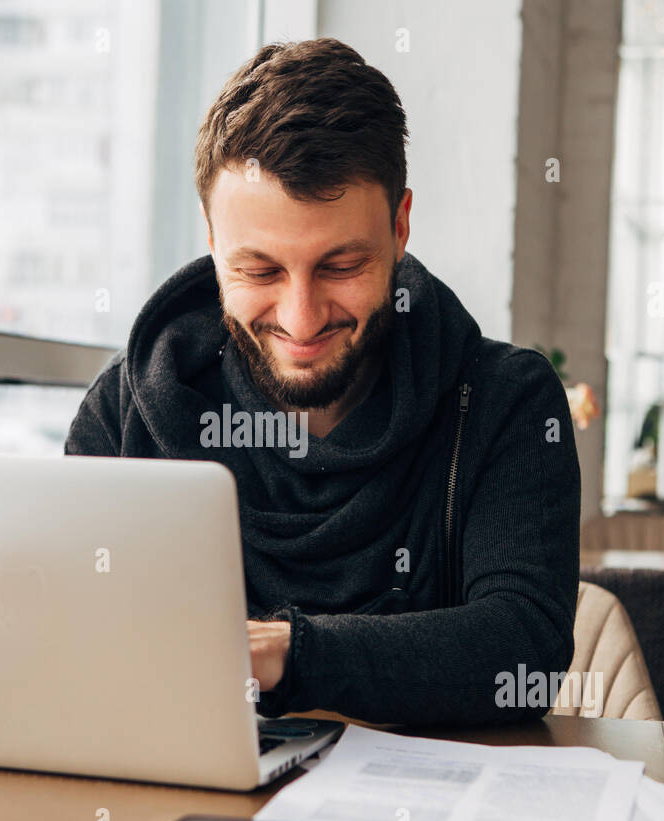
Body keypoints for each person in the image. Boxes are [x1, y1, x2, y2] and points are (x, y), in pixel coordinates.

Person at [64, 39, 580, 726]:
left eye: (340, 266)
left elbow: (524, 648)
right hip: (188, 813)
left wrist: (286, 654)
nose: (301, 320)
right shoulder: (125, 409)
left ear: (399, 226)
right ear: (213, 243)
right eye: (261, 271)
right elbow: (73, 639)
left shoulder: (504, 402)